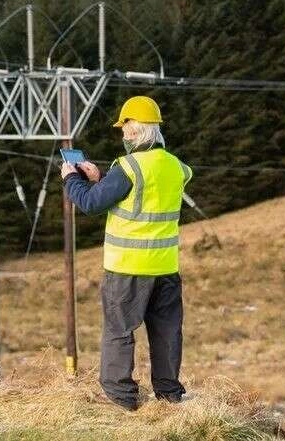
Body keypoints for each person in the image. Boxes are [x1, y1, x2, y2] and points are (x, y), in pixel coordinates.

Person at [61, 96, 192, 410]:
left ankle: (120, 398)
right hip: (165, 267)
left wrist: (71, 179)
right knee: (166, 333)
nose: (122, 133)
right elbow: (144, 194)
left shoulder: (128, 166)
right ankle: (169, 396)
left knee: (119, 330)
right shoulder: (177, 167)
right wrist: (100, 178)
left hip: (128, 269)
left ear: (136, 130)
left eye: (125, 127)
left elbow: (92, 204)